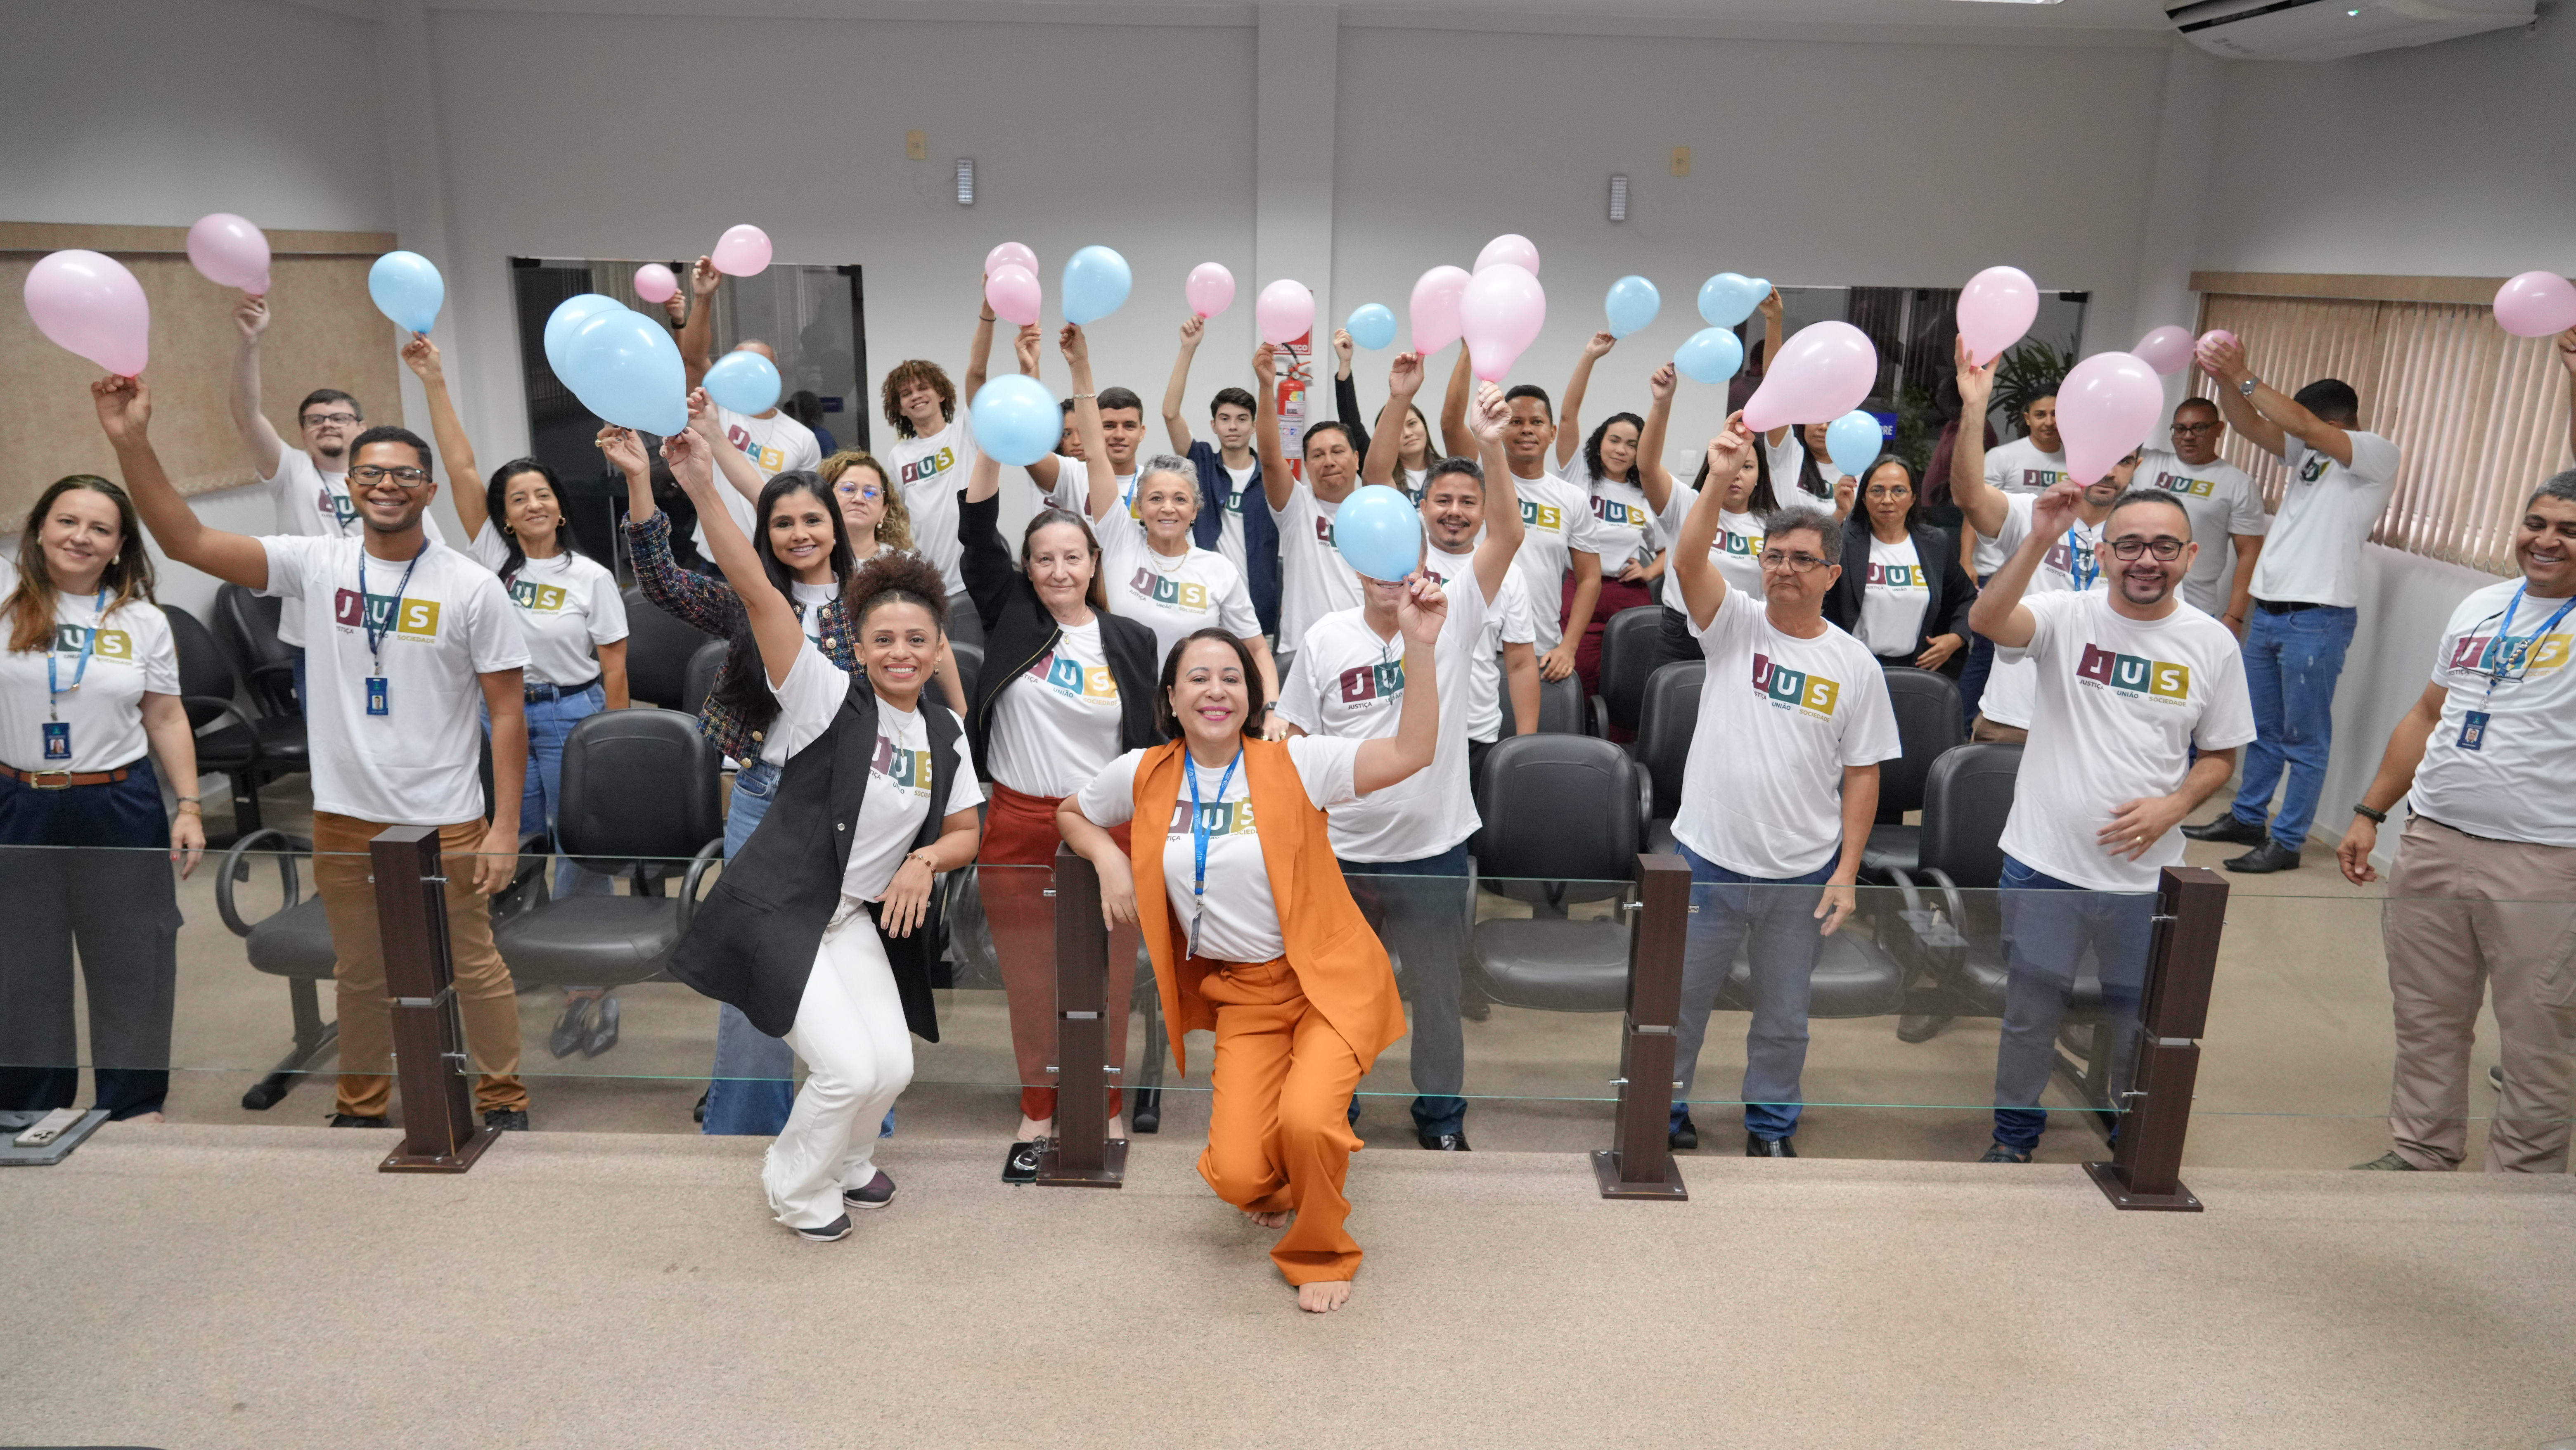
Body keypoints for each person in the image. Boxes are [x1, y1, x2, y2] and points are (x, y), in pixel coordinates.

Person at [96, 375, 533, 1131]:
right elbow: (186, 541)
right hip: (344, 815)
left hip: (447, 815)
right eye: (371, 474)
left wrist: (503, 828)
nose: (386, 486)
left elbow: (506, 713)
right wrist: (132, 442)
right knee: (361, 973)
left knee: (474, 965)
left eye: (403, 474)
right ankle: (360, 1106)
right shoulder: (316, 563)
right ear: (349, 485)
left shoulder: (472, 587)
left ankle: (503, 1097)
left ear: (428, 489)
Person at [1058, 596, 1448, 1314]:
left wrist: (1420, 646)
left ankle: (1321, 1248)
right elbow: (1073, 812)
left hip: (1327, 979)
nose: (1216, 690)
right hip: (1245, 990)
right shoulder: (1142, 773)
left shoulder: (1299, 761)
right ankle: (1292, 1178)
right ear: (1170, 699)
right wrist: (1106, 860)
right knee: (1239, 1177)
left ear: (1253, 694)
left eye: (1232, 677)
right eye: (1199, 678)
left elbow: (1411, 751)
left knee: (1307, 1120)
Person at [661, 428, 981, 1242]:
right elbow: (757, 592)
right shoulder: (824, 699)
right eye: (885, 640)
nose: (902, 652)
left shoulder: (944, 730)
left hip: (847, 919)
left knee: (895, 1065)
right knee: (844, 1070)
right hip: (782, 910)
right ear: (860, 647)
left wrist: (927, 860)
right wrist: (703, 487)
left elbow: (966, 831)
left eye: (918, 640)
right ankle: (795, 1184)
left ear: (938, 647)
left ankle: (846, 1163)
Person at [615, 401, 955, 1137]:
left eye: (813, 519)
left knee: (862, 966)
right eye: (782, 524)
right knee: (758, 970)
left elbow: (923, 678)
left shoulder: (873, 600)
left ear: (838, 524)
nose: (800, 534)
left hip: (862, 806)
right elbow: (665, 583)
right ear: (764, 534)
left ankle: (864, 1126)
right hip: (768, 796)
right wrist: (646, 484)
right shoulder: (749, 599)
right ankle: (744, 1122)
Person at [1966, 478, 2252, 1163]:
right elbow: (1988, 622)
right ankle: (2013, 1139)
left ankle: (2133, 1137)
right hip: (2044, 864)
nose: (2144, 560)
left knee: (2136, 1019)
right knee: (2031, 1014)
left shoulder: (2211, 645)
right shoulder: (2066, 614)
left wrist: (2176, 804)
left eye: (2162, 546)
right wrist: (2038, 536)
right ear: (2102, 552)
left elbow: (2220, 757)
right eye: (2128, 545)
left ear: (2190, 554)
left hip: (2143, 878)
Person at [1282, 372, 1523, 1151]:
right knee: (1337, 998)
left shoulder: (1452, 606)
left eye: (1402, 558)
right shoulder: (1324, 640)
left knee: (1437, 996)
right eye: (1374, 564)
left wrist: (1491, 447)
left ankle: (1442, 1118)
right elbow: (1290, 734)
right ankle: (1336, 1108)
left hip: (1431, 848)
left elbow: (1508, 536)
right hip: (1343, 853)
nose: (1390, 575)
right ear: (1355, 563)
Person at [1663, 416, 1899, 1156]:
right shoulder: (1732, 623)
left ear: (1833, 573)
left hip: (1802, 873)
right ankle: (1663, 1114)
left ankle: (1770, 1127)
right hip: (1708, 860)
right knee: (1679, 1005)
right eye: (1774, 556)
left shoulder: (1855, 664)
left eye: (1803, 558)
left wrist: (1848, 873)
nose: (1784, 569)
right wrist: (1717, 472)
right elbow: (1689, 554)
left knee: (1785, 1015)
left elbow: (1865, 772)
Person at [402, 335, 635, 1058]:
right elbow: (463, 464)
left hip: (574, 718)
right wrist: (436, 381)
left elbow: (617, 672)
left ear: (561, 508)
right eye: (518, 497)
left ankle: (590, 995)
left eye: (543, 495)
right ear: (502, 515)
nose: (532, 503)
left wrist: (614, 749)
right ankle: (492, 973)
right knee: (493, 849)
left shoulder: (591, 576)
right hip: (495, 722)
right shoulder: (490, 561)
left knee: (581, 860)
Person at [2337, 470, 2576, 1174]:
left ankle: (2523, 1183)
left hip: (2545, 859)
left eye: (2570, 530)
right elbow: (2428, 713)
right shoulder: (2482, 605)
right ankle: (2422, 1151)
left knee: (2540, 1034)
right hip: (2435, 838)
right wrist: (2369, 809)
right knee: (2427, 1015)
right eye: (2537, 522)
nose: (2546, 540)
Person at [957, 427, 1163, 1157]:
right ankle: (1040, 1103)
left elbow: (1152, 748)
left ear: (1094, 561)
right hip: (1016, 822)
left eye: (1072, 557)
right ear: (1027, 567)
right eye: (1043, 559)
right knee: (1032, 980)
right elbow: (976, 533)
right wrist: (990, 445)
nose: (1058, 570)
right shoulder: (1011, 613)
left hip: (1108, 831)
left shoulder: (1133, 642)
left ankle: (1103, 1101)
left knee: (1107, 981)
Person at [0, 472, 204, 1125]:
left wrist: (191, 807)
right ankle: (33, 1106)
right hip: (19, 801)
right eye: (66, 521)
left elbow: (167, 717)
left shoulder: (142, 621)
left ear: (119, 547)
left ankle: (134, 1102)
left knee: (135, 956)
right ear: (38, 529)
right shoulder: (5, 598)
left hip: (118, 801)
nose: (80, 537)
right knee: (23, 959)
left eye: (99, 528)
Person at [2180, 335, 2402, 874]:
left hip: (2317, 617)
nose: (2294, 426)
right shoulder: (2308, 453)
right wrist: (2225, 380)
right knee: (2260, 728)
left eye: (2307, 420)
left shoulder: (2373, 452)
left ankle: (2287, 840)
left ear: (2338, 422)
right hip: (2271, 610)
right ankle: (2249, 816)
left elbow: (2298, 423)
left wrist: (2247, 372)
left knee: (2304, 738)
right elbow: (2254, 425)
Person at [227, 294, 444, 705]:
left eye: (339, 418)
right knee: (332, 748)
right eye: (315, 419)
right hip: (317, 639)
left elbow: (435, 551)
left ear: (361, 427)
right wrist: (250, 343)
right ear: (303, 431)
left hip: (391, 628)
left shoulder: (391, 478)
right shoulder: (290, 471)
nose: (327, 424)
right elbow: (245, 412)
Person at [1362, 360, 1537, 774]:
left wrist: (1527, 750)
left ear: (1484, 511)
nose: (1455, 511)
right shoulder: (1404, 551)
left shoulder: (1505, 575)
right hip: (1399, 725)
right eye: (1443, 501)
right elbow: (1374, 474)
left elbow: (1520, 662)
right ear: (1421, 507)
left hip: (1475, 732)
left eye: (1468, 502)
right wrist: (1401, 397)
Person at [1951, 340, 2128, 744]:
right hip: (2014, 719)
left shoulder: (2146, 547)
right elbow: (1969, 497)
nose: (2109, 469)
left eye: (2124, 458)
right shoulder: (2033, 512)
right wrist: (1975, 408)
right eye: (2100, 454)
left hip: (2096, 730)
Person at [1454, 371, 1602, 686]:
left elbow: (1589, 578)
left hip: (1539, 645)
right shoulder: (1477, 482)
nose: (1526, 430)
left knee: (1528, 735)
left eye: (1536, 422)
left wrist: (1568, 647)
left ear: (1552, 433)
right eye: (1515, 421)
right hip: (1472, 641)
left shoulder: (1572, 499)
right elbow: (1449, 425)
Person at [678, 256, 823, 562]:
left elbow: (809, 508)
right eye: (738, 365)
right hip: (717, 561)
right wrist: (704, 299)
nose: (746, 374)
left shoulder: (802, 439)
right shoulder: (715, 409)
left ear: (777, 376)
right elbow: (693, 357)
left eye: (758, 367)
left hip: (777, 562)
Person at [878, 281, 1002, 635]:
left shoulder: (966, 430)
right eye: (906, 393)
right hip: (923, 583)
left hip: (969, 580)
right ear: (899, 407)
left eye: (923, 388)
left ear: (941, 394)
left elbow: (977, 372)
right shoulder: (899, 455)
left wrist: (988, 311)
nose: (916, 396)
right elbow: (896, 520)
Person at [1637, 363, 1776, 678]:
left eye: (1748, 467)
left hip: (1745, 637)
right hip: (1681, 635)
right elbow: (1646, 467)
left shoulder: (1772, 526)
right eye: (1733, 463)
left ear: (1760, 478)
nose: (1737, 474)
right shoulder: (1687, 503)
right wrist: (1662, 402)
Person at [1553, 332, 1668, 704]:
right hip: (1579, 586)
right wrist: (1590, 356)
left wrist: (1650, 573)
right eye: (1614, 439)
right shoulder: (1579, 477)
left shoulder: (1646, 492)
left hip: (1627, 595)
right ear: (1600, 441)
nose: (1621, 449)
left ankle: (1624, 749)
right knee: (1577, 672)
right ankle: (1576, 741)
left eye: (1633, 444)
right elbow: (1568, 415)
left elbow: (1675, 544)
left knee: (1631, 677)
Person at [1955, 370, 2065, 728]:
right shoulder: (2005, 456)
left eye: (2056, 414)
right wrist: (1967, 558)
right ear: (2027, 418)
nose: (2049, 422)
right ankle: (1965, 724)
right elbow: (1975, 506)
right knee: (1987, 652)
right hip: (2000, 567)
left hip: (2054, 575)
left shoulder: (2076, 460)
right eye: (2041, 414)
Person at [1164, 316, 1281, 631]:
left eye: (1242, 419)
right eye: (1225, 418)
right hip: (1204, 606)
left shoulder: (1273, 479)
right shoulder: (1200, 462)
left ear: (1254, 426)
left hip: (1258, 613)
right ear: (1214, 425)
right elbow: (1170, 413)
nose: (1233, 426)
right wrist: (1188, 349)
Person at [1253, 344, 1366, 651]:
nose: (1328, 461)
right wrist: (1267, 387)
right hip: (1303, 651)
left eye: (1337, 452)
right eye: (1317, 455)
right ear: (1306, 465)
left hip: (1365, 649)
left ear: (1357, 459)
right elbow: (1270, 458)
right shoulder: (1297, 508)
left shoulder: (1372, 512)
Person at [1823, 456, 1974, 676]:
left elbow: (1966, 598)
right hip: (1850, 667)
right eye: (1877, 491)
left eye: (1899, 491)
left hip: (1915, 669)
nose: (1887, 499)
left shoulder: (1934, 543)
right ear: (1863, 498)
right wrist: (1840, 513)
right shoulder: (1845, 540)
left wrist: (1957, 638)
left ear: (1913, 498)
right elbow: (1811, 563)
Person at [2133, 398, 2267, 629]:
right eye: (2180, 429)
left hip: (2196, 609)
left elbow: (2249, 553)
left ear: (2218, 429)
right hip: (2137, 600)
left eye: (2199, 428)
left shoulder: (2238, 483)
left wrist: (2235, 617)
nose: (2188, 436)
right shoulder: (2145, 463)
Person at [1331, 328, 1438, 498]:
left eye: (1412, 424)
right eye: (1399, 430)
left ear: (1424, 425)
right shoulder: (1379, 470)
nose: (1408, 434)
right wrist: (1345, 363)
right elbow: (1352, 425)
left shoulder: (1448, 470)